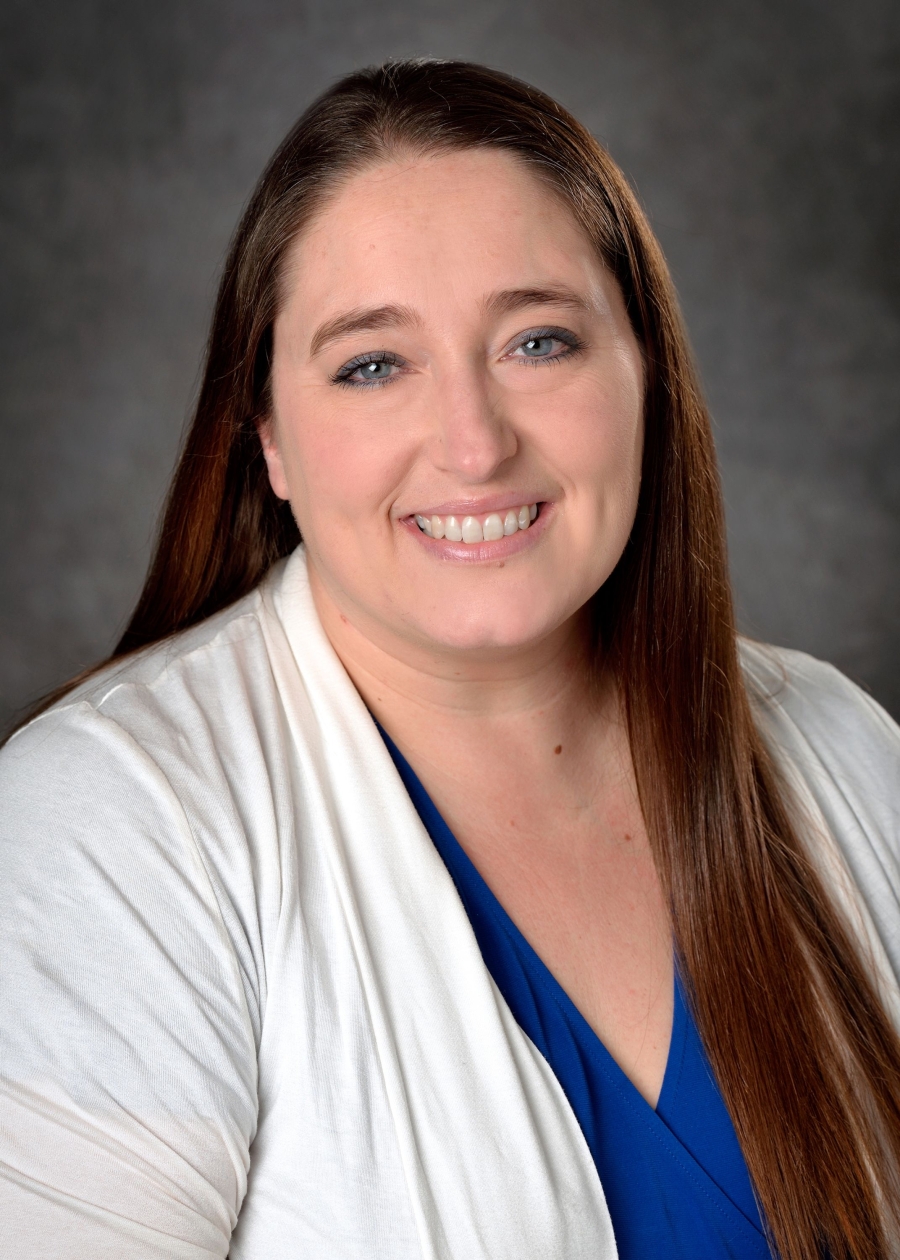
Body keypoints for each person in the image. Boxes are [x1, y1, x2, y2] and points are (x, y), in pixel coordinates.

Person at [1, 58, 898, 1260]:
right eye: (374, 364)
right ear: (266, 437)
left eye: (539, 341)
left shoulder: (845, 748)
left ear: (646, 376)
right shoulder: (105, 831)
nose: (474, 445)